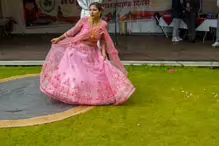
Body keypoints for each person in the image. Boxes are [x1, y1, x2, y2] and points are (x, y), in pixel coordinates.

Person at [40, 2, 135, 106]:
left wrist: (103, 52)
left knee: (101, 73)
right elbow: (72, 32)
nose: (91, 12)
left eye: (94, 10)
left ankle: (99, 96)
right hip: (77, 51)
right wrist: (59, 38)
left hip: (93, 52)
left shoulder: (103, 24)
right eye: (90, 10)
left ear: (100, 11)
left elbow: (103, 39)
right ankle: (72, 95)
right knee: (76, 77)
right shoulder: (84, 20)